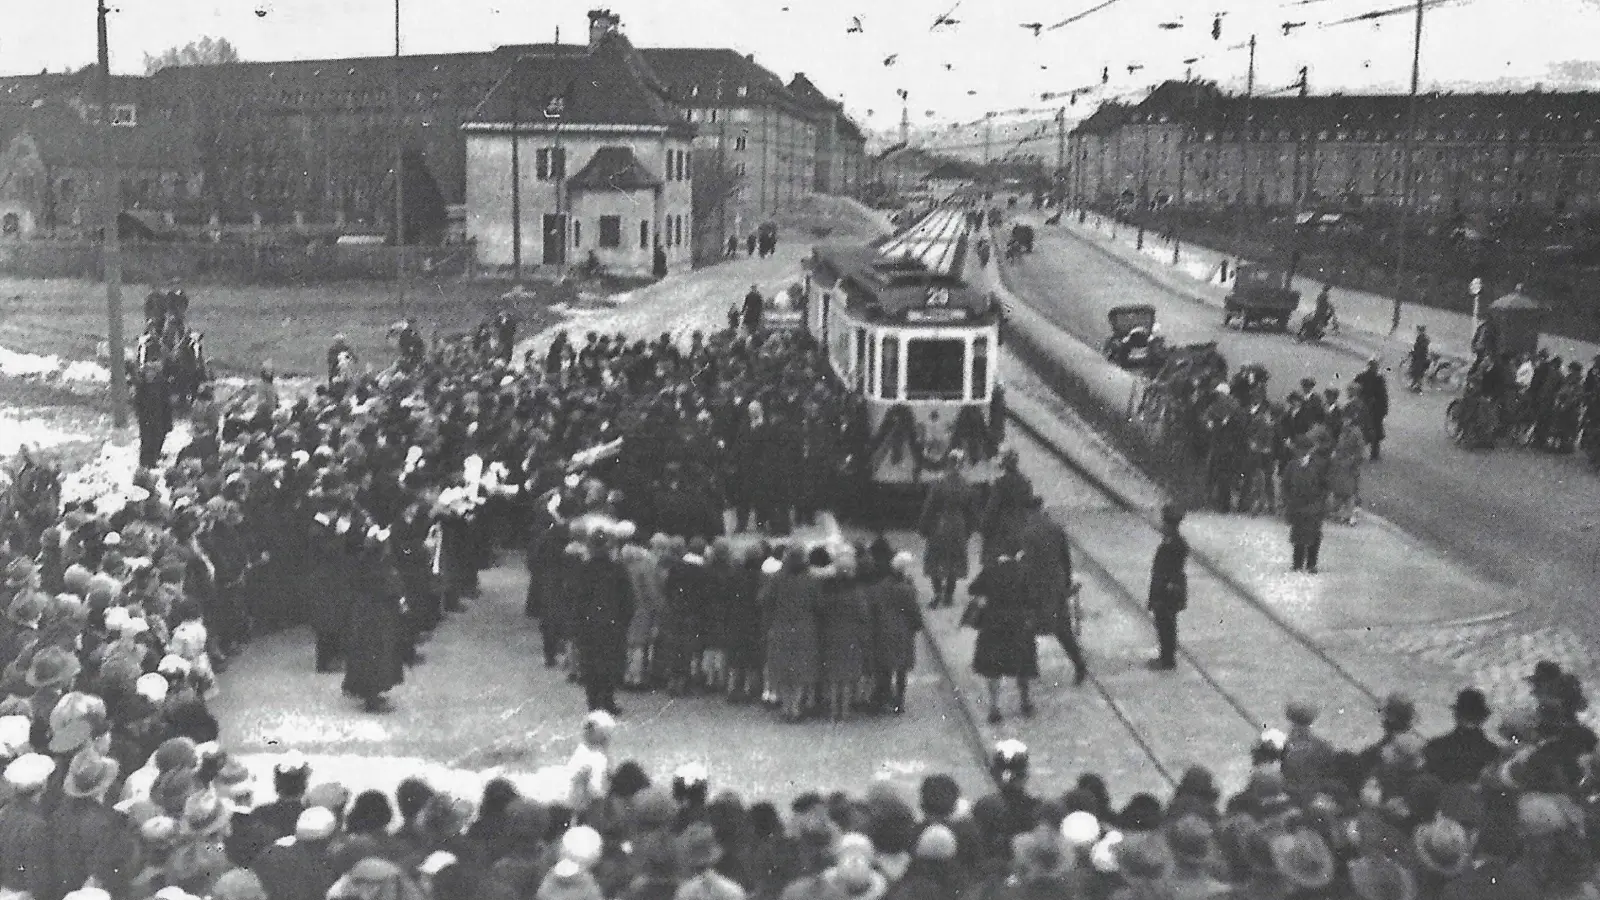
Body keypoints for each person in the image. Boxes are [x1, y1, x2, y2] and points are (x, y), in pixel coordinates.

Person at [1016, 494, 1086, 686]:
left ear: (1028, 511)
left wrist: (1020, 586)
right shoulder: (1055, 528)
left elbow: (1027, 564)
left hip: (1036, 588)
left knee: (1028, 629)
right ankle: (1079, 664)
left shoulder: (1026, 533)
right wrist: (1066, 583)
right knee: (1062, 628)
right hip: (1056, 586)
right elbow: (1066, 559)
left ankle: (1031, 670)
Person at [967, 552, 1037, 723]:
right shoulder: (1023, 571)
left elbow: (972, 589)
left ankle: (994, 707)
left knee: (993, 668)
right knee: (1023, 664)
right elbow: (1033, 598)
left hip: (993, 624)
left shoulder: (990, 571)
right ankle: (1025, 702)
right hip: (1018, 625)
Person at [918, 459, 976, 610]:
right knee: (954, 560)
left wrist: (923, 527)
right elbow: (972, 513)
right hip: (958, 525)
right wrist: (968, 531)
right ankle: (949, 594)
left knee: (935, 559)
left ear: (948, 465)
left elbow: (929, 507)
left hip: (940, 524)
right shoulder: (966, 486)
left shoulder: (938, 484)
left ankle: (937, 592)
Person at [1146, 505, 1188, 671]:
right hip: (1166, 588)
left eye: (1165, 524)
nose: (1162, 527)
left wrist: (1165, 586)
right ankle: (1166, 656)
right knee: (1164, 623)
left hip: (1168, 589)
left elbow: (1170, 569)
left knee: (1166, 623)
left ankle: (1167, 659)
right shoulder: (1172, 542)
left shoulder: (1174, 544)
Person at [1283, 435, 1329, 573]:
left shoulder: (1318, 465)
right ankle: (1297, 563)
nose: (1302, 453)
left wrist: (1321, 502)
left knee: (1314, 535)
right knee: (1298, 535)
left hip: (1314, 505)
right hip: (1297, 505)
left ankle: (1311, 564)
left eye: (1305, 450)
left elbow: (1325, 485)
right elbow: (1285, 484)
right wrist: (1287, 501)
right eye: (1299, 450)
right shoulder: (1292, 465)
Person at [1353, 358, 1390, 461]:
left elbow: (1383, 396)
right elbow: (1383, 396)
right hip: (1370, 408)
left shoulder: (1364, 377)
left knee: (1368, 431)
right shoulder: (1376, 379)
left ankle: (1370, 453)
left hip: (1371, 408)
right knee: (1370, 431)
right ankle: (1371, 453)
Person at [1408, 325, 1431, 392]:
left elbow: (1419, 349)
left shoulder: (1421, 338)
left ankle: (1416, 386)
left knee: (1417, 372)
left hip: (1419, 358)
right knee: (1418, 373)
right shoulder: (1423, 338)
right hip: (1421, 357)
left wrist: (1414, 353)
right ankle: (1415, 385)